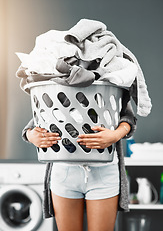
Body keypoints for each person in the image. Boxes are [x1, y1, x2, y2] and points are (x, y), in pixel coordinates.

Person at [22, 87, 137, 231]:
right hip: (64, 171)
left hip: (104, 171)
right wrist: (30, 135)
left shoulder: (109, 79)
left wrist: (116, 135)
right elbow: (43, 114)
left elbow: (128, 117)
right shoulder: (54, 77)